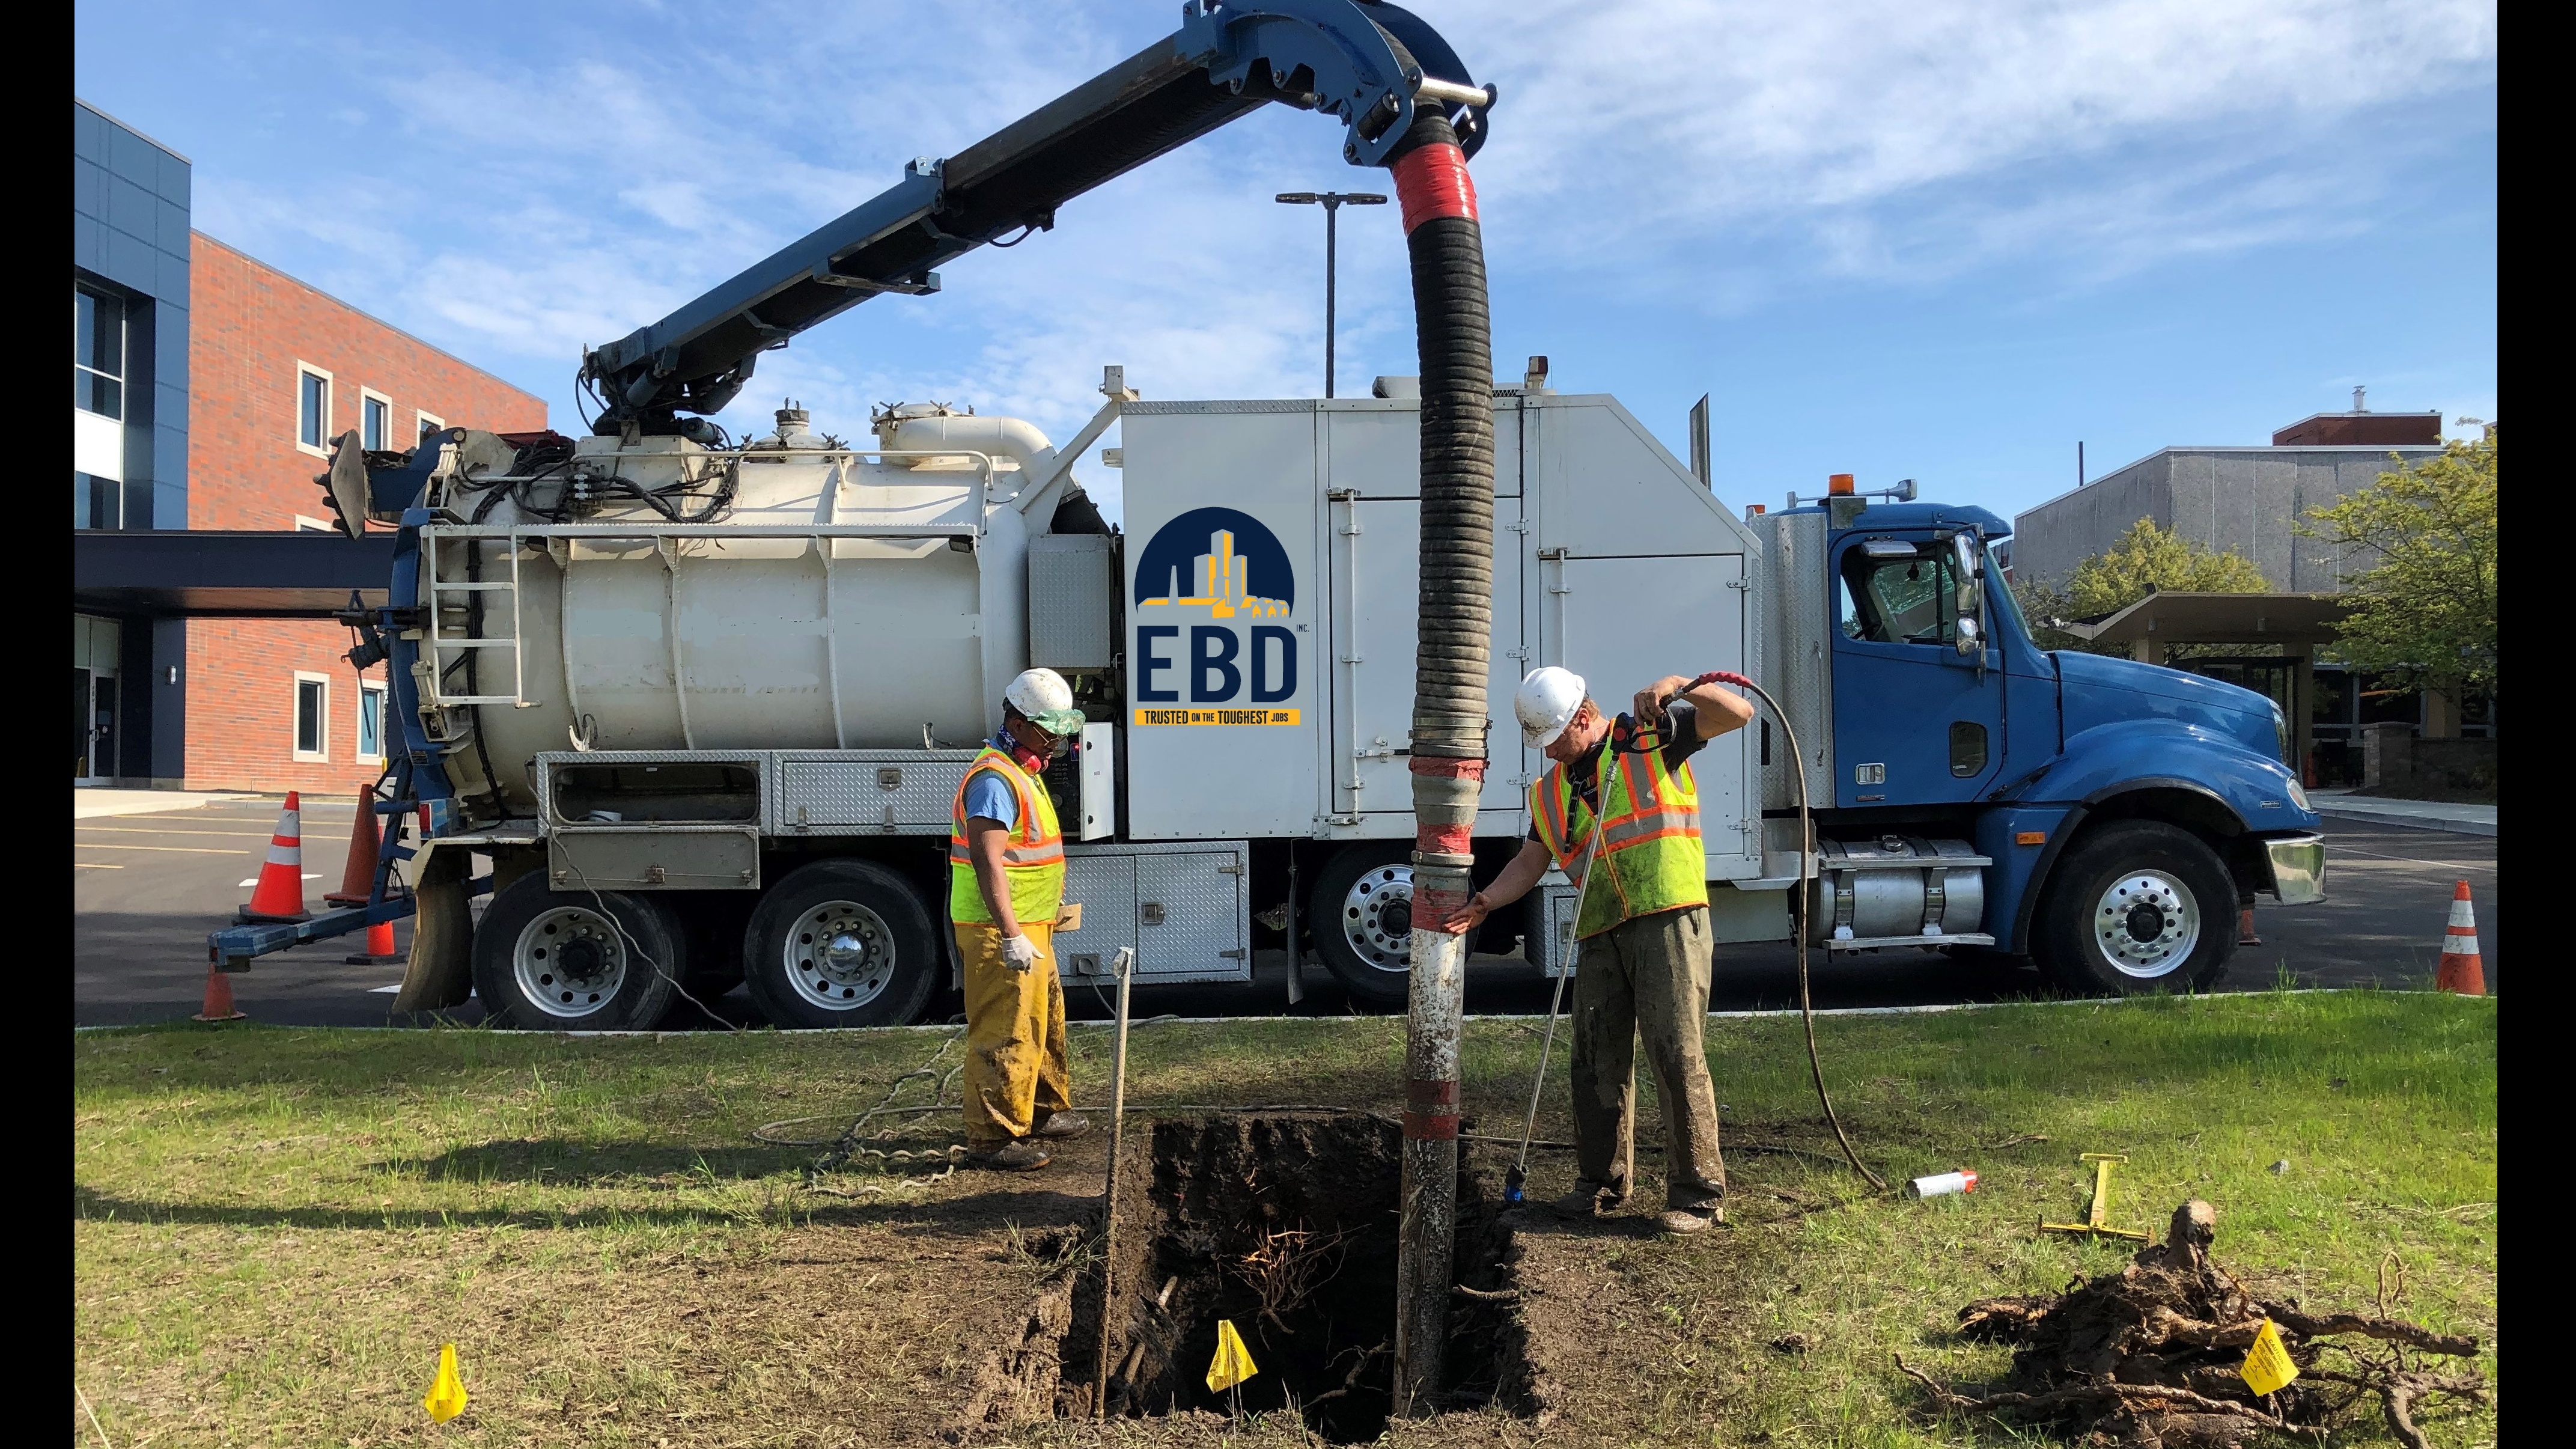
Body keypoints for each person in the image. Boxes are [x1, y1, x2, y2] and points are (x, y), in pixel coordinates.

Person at [1445, 665, 1754, 1234]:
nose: (1550, 753)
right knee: (1593, 1060)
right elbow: (1530, 862)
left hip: (1667, 913)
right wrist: (1486, 900)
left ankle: (1697, 1195)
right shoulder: (1550, 791)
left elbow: (1737, 713)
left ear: (1584, 717)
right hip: (1599, 928)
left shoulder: (1648, 736)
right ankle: (1600, 1181)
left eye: (1555, 739)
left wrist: (1678, 685)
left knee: (1675, 1053)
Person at [949, 668, 1094, 1170]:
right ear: (1015, 721)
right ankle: (992, 1137)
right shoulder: (994, 780)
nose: (1054, 741)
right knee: (1006, 1028)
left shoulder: (1023, 773)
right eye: (1045, 730)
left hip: (1031, 927)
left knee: (1043, 1023)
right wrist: (1011, 932)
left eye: (1060, 731)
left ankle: (1040, 1109)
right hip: (998, 931)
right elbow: (988, 860)